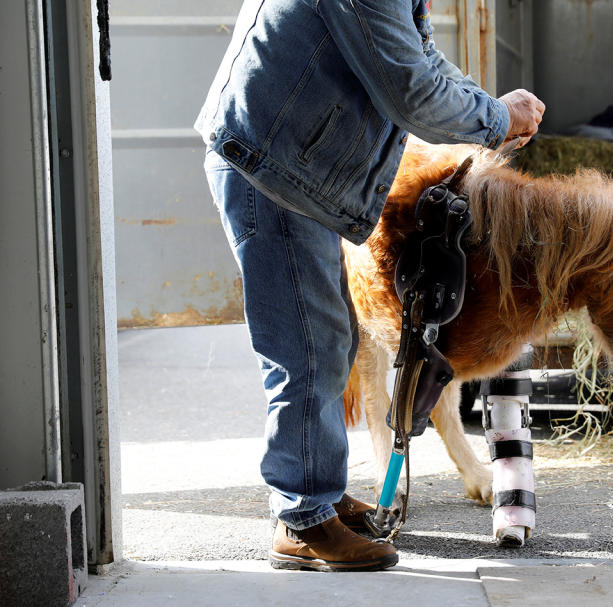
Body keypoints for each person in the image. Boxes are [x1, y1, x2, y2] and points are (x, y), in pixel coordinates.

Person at [195, 0, 544, 572]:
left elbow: (420, 60)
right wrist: (496, 118)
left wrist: (488, 110)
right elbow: (411, 90)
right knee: (306, 351)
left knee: (328, 344)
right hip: (274, 166)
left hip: (294, 164)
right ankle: (302, 517)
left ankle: (319, 493)